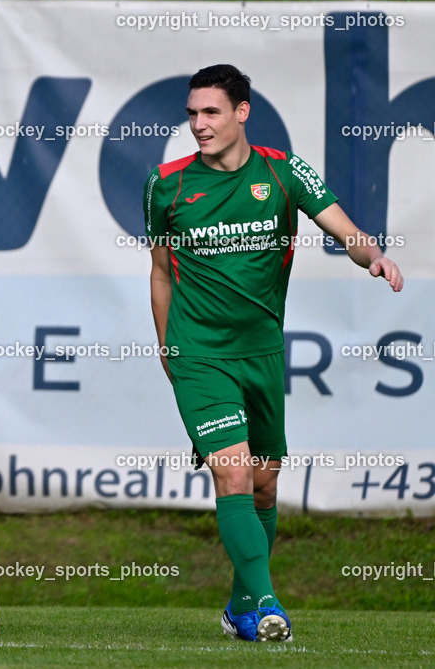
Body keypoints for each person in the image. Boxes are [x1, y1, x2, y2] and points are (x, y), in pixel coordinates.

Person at [145, 64, 403, 643]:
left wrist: (375, 257)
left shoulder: (283, 173)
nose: (198, 124)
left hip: (261, 353)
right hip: (199, 353)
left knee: (263, 484)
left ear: (242, 112)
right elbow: (161, 272)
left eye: (211, 112)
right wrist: (167, 345)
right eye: (192, 113)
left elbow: (345, 230)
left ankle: (239, 605)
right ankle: (267, 605)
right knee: (233, 472)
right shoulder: (166, 184)